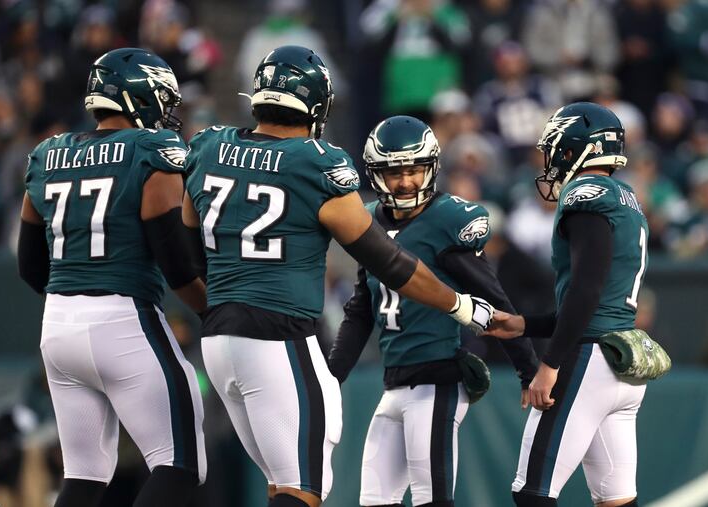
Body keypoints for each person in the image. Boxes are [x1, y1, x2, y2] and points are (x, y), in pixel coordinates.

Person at [181, 45, 494, 507]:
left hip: (219, 341)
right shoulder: (316, 162)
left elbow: (186, 249)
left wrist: (215, 311)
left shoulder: (208, 146)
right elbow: (389, 262)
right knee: (302, 487)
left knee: (281, 482)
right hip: (279, 334)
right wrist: (460, 305)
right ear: (317, 106)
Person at [17, 48, 207, 507]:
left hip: (57, 325)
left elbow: (29, 266)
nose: (167, 113)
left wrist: (77, 295)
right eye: (163, 101)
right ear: (140, 98)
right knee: (182, 464)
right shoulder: (151, 151)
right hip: (124, 320)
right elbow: (176, 265)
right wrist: (214, 312)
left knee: (83, 477)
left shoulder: (47, 154)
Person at [327, 115, 538, 507]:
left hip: (437, 381)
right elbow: (361, 309)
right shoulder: (367, 219)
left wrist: (528, 369)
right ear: (376, 174)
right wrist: (330, 378)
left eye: (413, 170)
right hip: (394, 383)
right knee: (375, 502)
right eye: (394, 173)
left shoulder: (446, 220)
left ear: (431, 169)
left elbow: (494, 298)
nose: (405, 182)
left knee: (432, 499)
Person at [488, 102, 649, 507]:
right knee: (616, 500)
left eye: (556, 149)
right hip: (621, 362)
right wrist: (525, 324)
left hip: (588, 360)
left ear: (578, 149)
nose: (551, 159)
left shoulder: (585, 193)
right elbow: (593, 299)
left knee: (532, 492)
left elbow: (586, 289)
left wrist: (550, 363)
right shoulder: (627, 198)